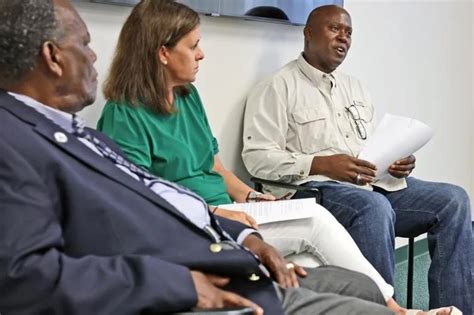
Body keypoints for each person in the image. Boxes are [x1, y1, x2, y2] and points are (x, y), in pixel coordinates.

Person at [0, 0, 402, 314]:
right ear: (53, 57)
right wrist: (198, 262)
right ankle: (397, 307)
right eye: (85, 45)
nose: (93, 57)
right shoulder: (43, 136)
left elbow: (193, 174)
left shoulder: (83, 133)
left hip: (214, 228)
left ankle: (388, 300)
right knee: (331, 224)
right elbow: (126, 216)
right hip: (189, 256)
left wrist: (246, 218)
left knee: (359, 283)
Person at [96, 1, 457, 315]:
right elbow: (139, 198)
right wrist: (214, 211)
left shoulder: (188, 97)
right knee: (318, 222)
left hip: (235, 211)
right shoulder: (125, 114)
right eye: (194, 46)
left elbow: (215, 168)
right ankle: (394, 309)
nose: (202, 54)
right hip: (202, 221)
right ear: (162, 52)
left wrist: (251, 196)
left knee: (309, 266)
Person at [242, 4, 473, 314]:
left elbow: (370, 150)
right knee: (374, 208)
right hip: (318, 192)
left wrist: (396, 165)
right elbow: (257, 158)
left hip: (372, 186)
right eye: (334, 29)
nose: (343, 38)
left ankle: (456, 308)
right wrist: (321, 164)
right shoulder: (277, 87)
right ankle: (385, 310)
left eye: (348, 32)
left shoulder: (355, 88)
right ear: (308, 33)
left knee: (453, 199)